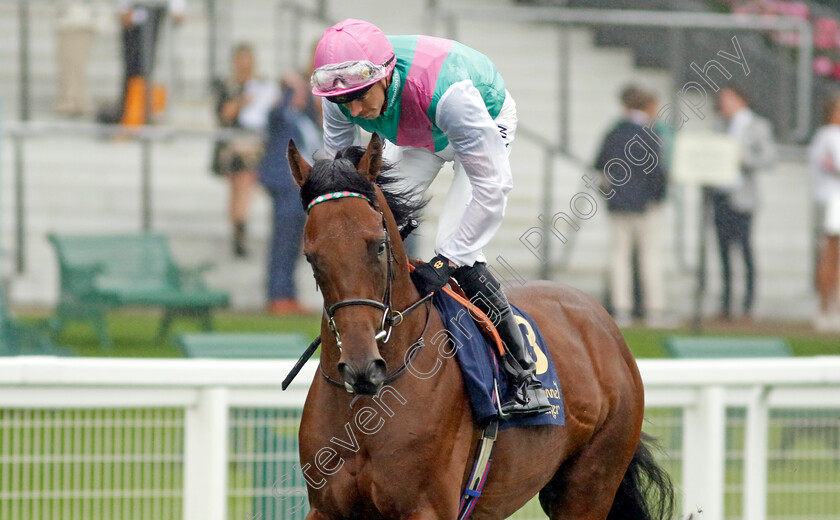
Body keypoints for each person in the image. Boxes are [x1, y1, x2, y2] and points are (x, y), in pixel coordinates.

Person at [310, 18, 550, 417]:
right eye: (343, 102)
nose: (353, 110)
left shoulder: (451, 96)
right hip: (419, 133)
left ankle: (522, 373)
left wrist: (446, 260)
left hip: (478, 123)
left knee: (458, 248)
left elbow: (493, 188)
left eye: (361, 97)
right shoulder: (339, 95)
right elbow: (342, 180)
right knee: (375, 219)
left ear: (385, 75)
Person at [594, 86, 672, 328]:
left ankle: (622, 308)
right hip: (645, 205)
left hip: (618, 203)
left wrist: (609, 192)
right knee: (650, 256)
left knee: (619, 255)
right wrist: (658, 198)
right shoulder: (650, 134)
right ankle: (654, 309)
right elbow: (658, 173)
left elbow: (600, 164)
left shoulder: (614, 132)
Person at [709, 86, 776, 321]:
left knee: (745, 250)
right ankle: (726, 304)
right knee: (723, 252)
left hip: (743, 198)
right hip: (721, 195)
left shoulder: (758, 125)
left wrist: (741, 157)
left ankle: (748, 304)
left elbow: (768, 158)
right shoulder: (720, 125)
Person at [259, 73, 320, 315]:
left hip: (301, 189)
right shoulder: (281, 116)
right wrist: (287, 89)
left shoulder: (303, 118)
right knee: (282, 243)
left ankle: (288, 294)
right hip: (286, 186)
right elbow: (274, 115)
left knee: (295, 243)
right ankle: (277, 295)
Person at [212, 44, 279, 258]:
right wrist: (242, 101)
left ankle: (240, 231)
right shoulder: (228, 85)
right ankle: (237, 228)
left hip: (253, 143)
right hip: (233, 143)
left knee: (244, 185)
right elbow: (224, 114)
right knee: (236, 188)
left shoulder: (262, 84)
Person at [116, 0, 185, 125]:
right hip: (137, 10)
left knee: (151, 68)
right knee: (134, 67)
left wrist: (178, 7)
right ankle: (131, 117)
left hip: (157, 10)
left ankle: (147, 114)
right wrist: (124, 7)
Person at [808, 94, 840, 332]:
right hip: (832, 201)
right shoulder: (828, 136)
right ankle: (824, 309)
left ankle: (831, 308)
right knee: (829, 255)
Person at [55, 1, 101, 116]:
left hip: (83, 20)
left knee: (78, 62)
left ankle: (76, 98)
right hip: (67, 19)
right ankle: (70, 98)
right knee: (67, 62)